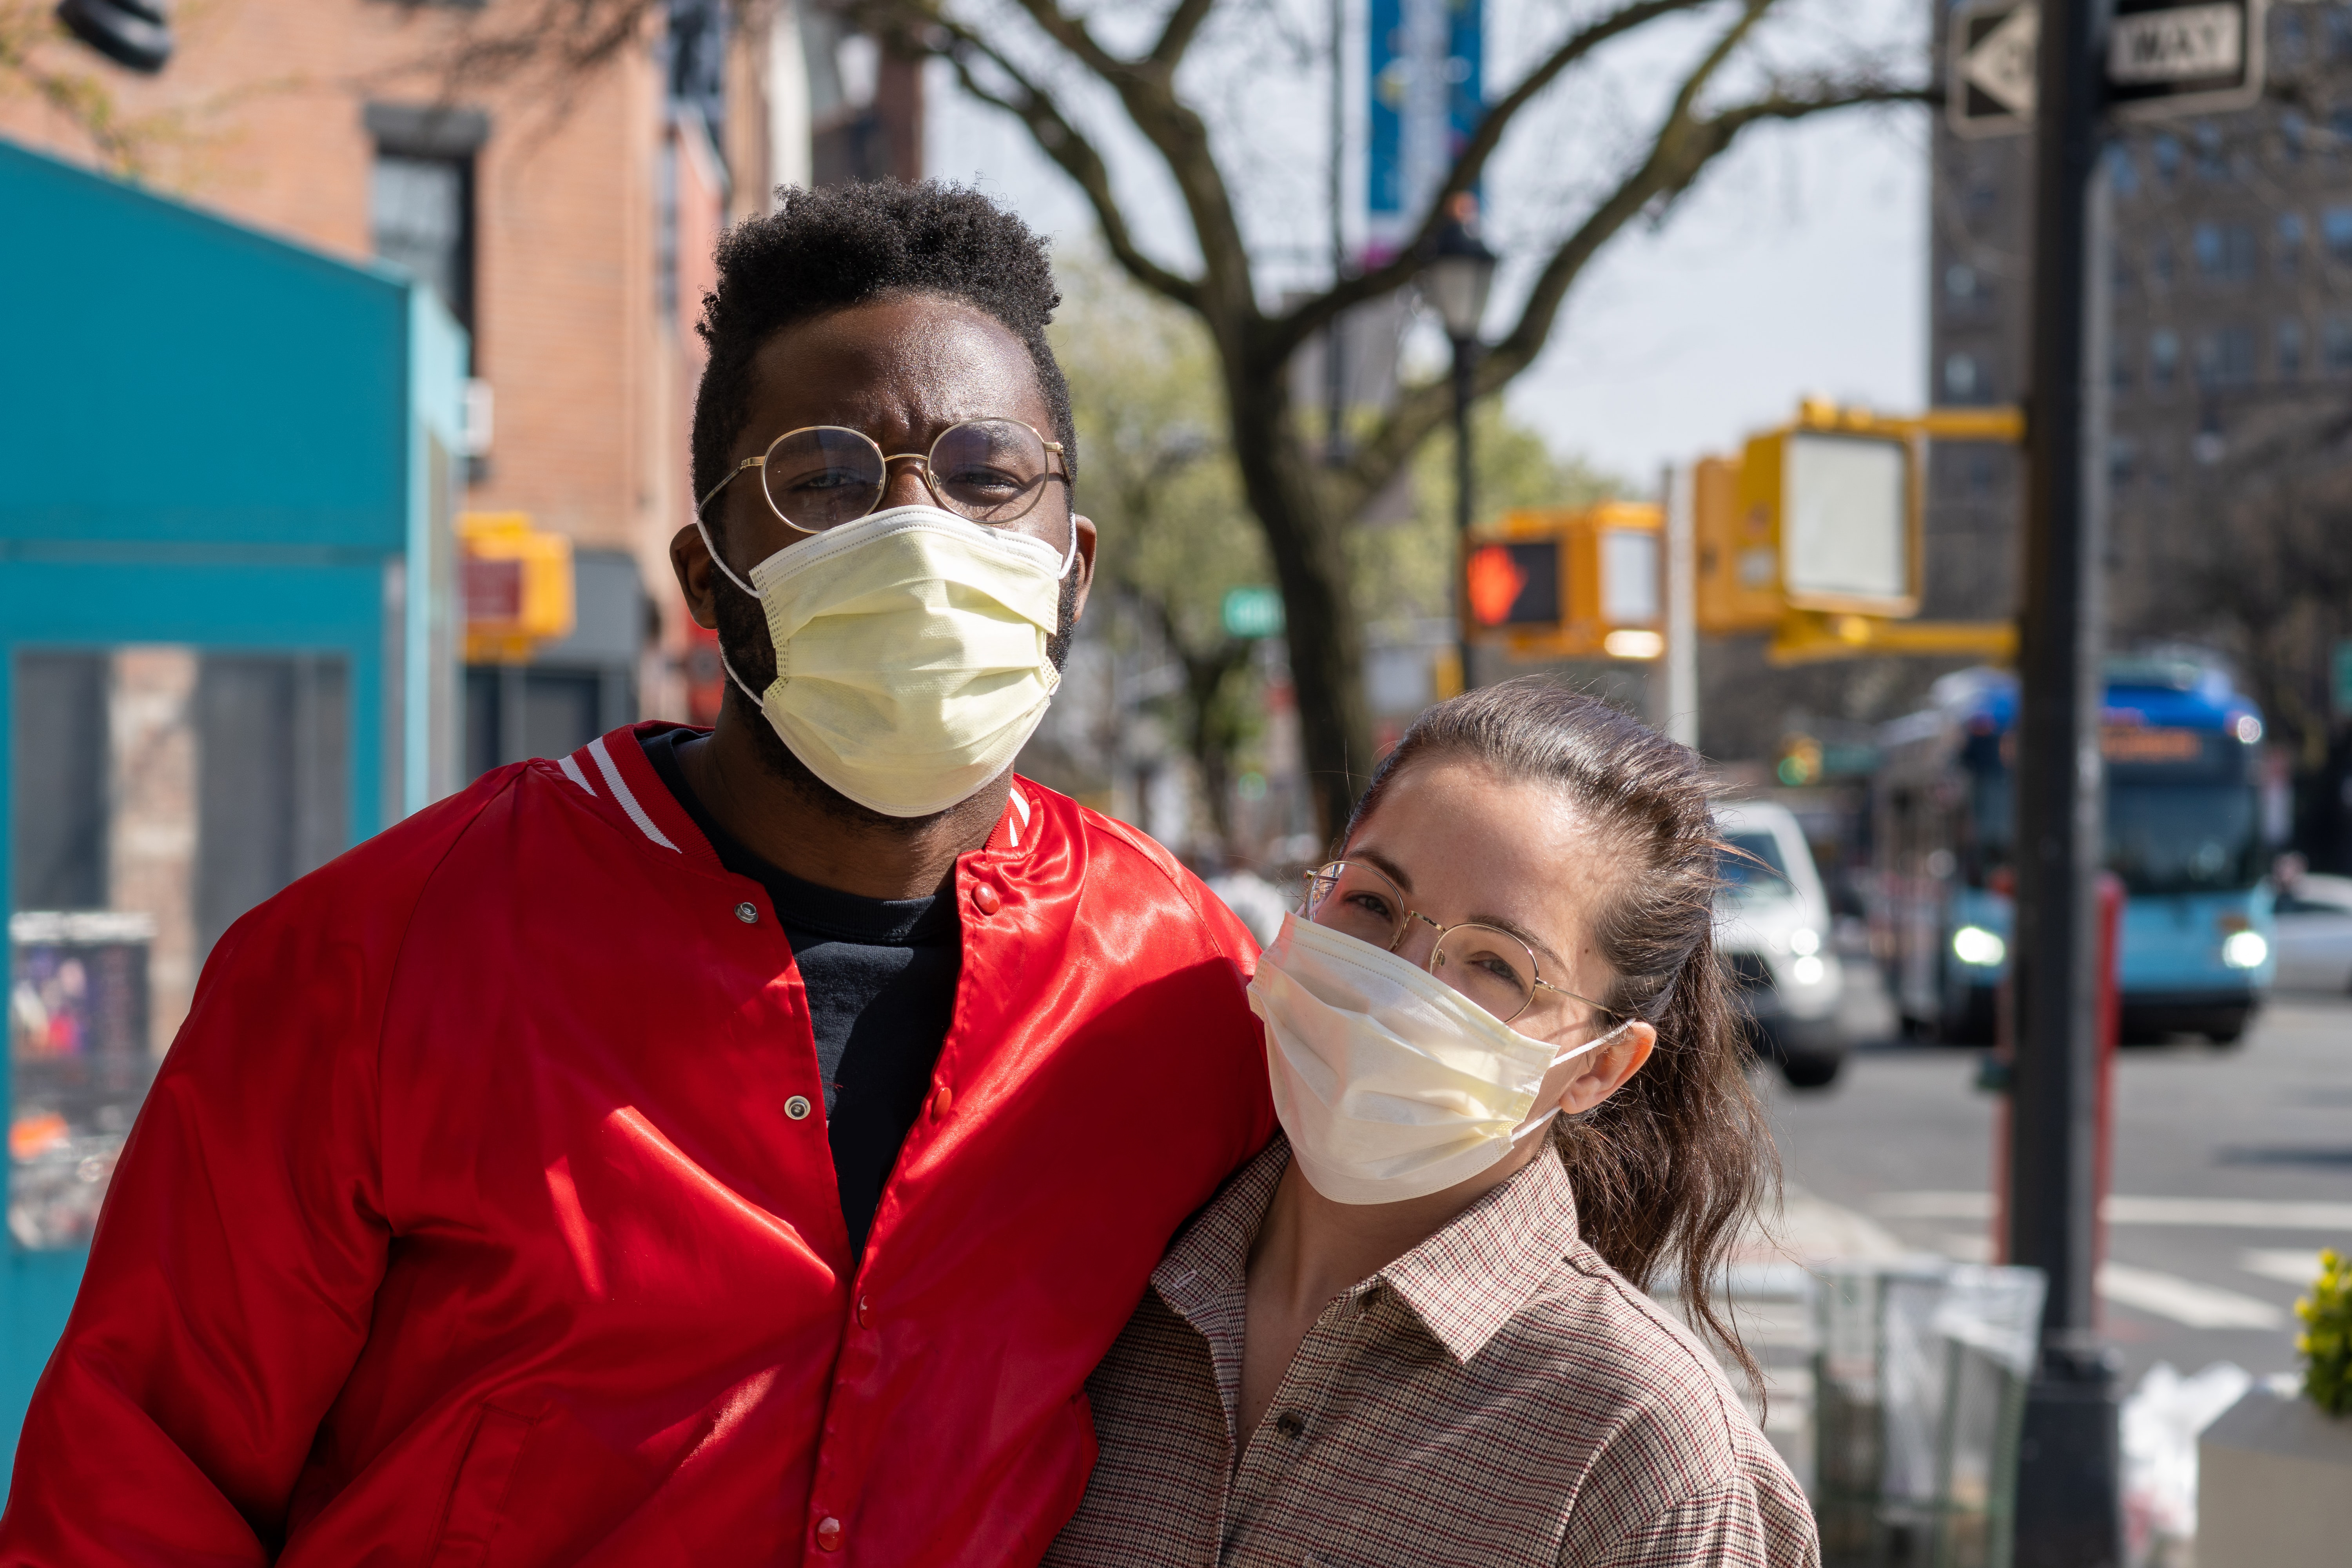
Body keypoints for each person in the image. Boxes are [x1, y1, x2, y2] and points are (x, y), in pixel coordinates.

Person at [0, 183, 1274, 1564]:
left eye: (988, 475)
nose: (921, 539)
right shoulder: (375, 961)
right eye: (828, 480)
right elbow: (133, 1482)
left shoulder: (1183, 986)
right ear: (711, 580)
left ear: (1072, 570)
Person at [1048, 681, 1817, 1568]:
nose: (1398, 983)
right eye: (1372, 902)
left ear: (1600, 1065)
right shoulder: (1100, 1288)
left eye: (1495, 962)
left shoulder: (1642, 1449)